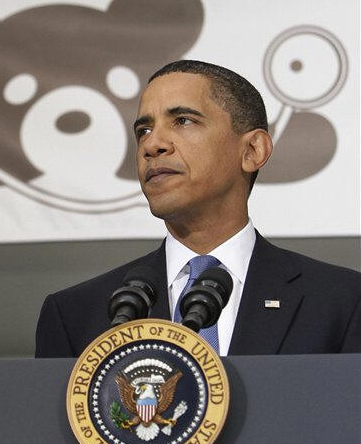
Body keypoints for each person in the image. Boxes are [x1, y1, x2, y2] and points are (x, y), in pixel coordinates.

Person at [35, 60, 360, 358]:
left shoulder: (341, 303)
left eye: (183, 121)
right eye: (143, 130)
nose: (152, 145)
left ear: (252, 150)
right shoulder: (76, 316)